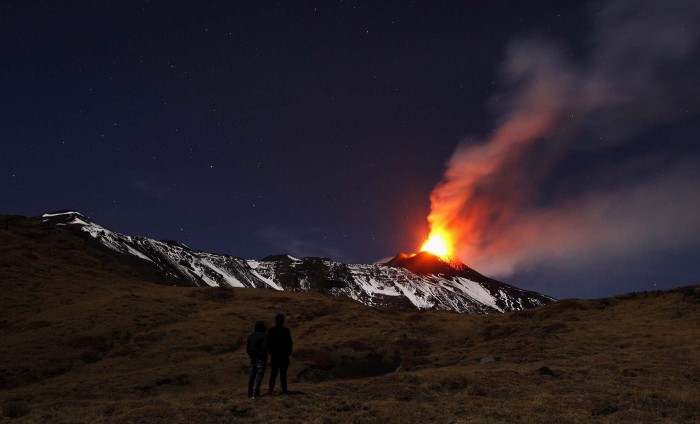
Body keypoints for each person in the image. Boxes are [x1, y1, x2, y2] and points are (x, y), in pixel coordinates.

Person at [266, 314, 293, 395]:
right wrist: (288, 353)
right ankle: (284, 389)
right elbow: (289, 343)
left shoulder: (271, 331)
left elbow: (268, 344)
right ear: (283, 321)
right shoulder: (286, 330)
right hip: (283, 355)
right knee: (283, 374)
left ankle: (270, 390)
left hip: (275, 356)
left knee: (273, 374)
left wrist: (271, 353)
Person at [246, 320, 267, 398]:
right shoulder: (263, 336)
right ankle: (256, 393)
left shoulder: (250, 336)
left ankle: (249, 393)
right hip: (260, 359)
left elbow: (247, 349)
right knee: (259, 377)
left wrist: (252, 355)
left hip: (252, 359)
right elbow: (264, 348)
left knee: (252, 377)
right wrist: (262, 356)